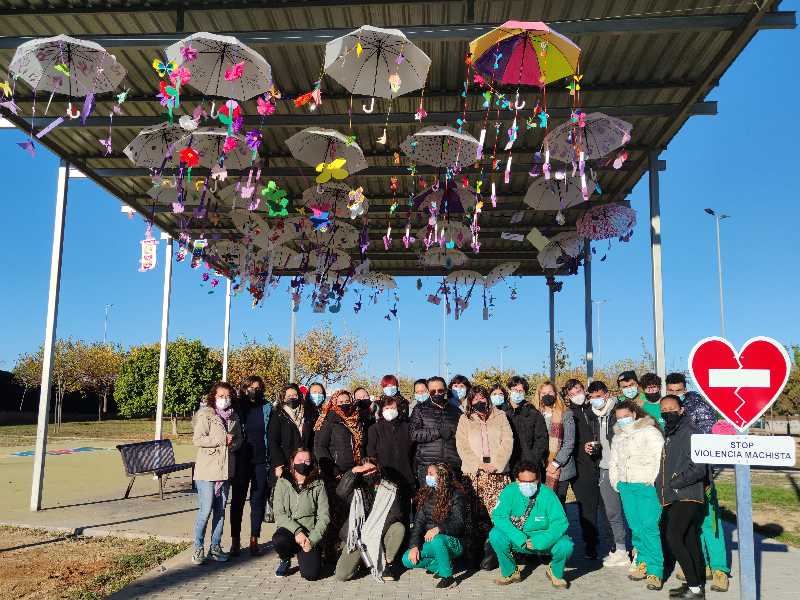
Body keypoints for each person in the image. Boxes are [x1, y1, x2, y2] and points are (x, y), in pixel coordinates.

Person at [665, 372, 729, 592]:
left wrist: (709, 476)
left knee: (711, 525)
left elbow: (712, 446)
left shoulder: (700, 409)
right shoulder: (670, 412)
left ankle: (720, 569)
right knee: (692, 529)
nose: (675, 393)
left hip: (701, 477)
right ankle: (701, 568)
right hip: (680, 482)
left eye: (678, 389)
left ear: (685, 388)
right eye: (671, 390)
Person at [488, 461, 574, 589]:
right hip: (519, 539)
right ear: (517, 480)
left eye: (532, 481)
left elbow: (560, 522)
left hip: (544, 539)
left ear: (538, 479)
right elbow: (499, 516)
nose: (528, 485)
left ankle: (555, 572)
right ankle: (510, 572)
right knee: (495, 535)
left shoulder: (548, 494)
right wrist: (519, 537)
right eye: (524, 482)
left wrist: (542, 540)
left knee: (566, 545)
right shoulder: (509, 491)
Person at [456, 384, 514, 569]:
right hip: (474, 475)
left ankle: (496, 553)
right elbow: (462, 445)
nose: (479, 401)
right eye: (475, 398)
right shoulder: (465, 419)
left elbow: (508, 441)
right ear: (470, 401)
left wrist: (496, 464)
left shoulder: (500, 416)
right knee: (473, 516)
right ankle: (473, 553)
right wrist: (478, 464)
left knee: (498, 515)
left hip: (497, 475)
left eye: (482, 398)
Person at [609, 400, 665, 591]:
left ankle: (655, 570)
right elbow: (614, 461)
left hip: (646, 485)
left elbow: (659, 457)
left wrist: (652, 479)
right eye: (619, 418)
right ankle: (642, 561)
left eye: (626, 416)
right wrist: (616, 482)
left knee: (650, 527)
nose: (623, 420)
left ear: (634, 413)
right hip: (626, 486)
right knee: (636, 527)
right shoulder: (618, 437)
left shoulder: (650, 432)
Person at [658, 395, 709, 599]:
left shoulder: (690, 432)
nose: (667, 412)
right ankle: (695, 586)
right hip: (675, 495)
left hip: (687, 494)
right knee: (688, 538)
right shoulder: (671, 433)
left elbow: (699, 468)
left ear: (681, 410)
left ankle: (695, 588)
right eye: (664, 409)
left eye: (671, 408)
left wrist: (674, 483)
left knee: (673, 536)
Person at [191, 381, 242, 565]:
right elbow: (198, 439)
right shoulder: (206, 414)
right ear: (214, 396)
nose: (224, 399)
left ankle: (215, 546)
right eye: (221, 396)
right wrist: (221, 439)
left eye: (227, 396)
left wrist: (233, 442)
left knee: (220, 511)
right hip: (206, 471)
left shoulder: (233, 416)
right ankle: (197, 547)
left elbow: (238, 442)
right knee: (205, 510)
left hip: (225, 470)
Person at [334, 457, 407, 582]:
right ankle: (362, 561)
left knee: (398, 528)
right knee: (342, 575)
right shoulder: (356, 489)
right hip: (358, 538)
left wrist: (373, 530)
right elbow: (340, 492)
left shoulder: (389, 488)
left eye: (371, 469)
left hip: (378, 533)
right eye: (365, 471)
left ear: (378, 469)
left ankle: (386, 564)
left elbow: (396, 514)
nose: (368, 473)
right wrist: (354, 471)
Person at [402, 463, 467, 589]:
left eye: (431, 474)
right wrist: (414, 546)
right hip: (433, 542)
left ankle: (448, 577)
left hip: (454, 542)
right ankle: (439, 564)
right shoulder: (427, 495)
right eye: (427, 474)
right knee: (406, 559)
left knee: (438, 539)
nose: (427, 476)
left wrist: (439, 529)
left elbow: (459, 523)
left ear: (441, 476)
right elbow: (418, 524)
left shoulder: (456, 495)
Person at [586, 380, 629, 567]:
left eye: (599, 396)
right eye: (592, 397)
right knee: (612, 512)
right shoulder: (591, 415)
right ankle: (621, 549)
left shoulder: (618, 411)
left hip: (624, 467)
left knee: (633, 511)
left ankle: (639, 550)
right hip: (604, 467)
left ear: (607, 395)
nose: (596, 400)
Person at [272, 448, 330, 580]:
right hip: (289, 530)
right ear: (292, 462)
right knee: (279, 540)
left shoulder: (318, 483)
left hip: (310, 532)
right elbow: (279, 513)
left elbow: (324, 516)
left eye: (307, 461)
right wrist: (297, 531)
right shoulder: (282, 481)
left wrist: (313, 539)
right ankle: (285, 558)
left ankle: (309, 553)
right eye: (299, 460)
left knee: (311, 575)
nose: (303, 463)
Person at [230, 375, 271, 557]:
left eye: (258, 387)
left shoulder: (267, 407)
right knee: (238, 501)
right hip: (241, 461)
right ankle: (235, 541)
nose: (254, 390)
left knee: (258, 500)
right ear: (244, 388)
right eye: (251, 387)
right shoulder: (237, 407)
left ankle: (254, 538)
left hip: (261, 461)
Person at [560, 378, 601, 560]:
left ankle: (591, 546)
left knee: (588, 507)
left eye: (578, 390)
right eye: (572, 393)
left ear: (584, 390)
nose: (577, 395)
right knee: (564, 506)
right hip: (571, 463)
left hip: (589, 466)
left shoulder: (594, 410)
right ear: (568, 397)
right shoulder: (568, 413)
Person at [410, 376, 462, 485]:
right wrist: (438, 432)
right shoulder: (420, 409)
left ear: (446, 390)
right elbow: (414, 434)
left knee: (452, 500)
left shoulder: (455, 411)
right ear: (429, 392)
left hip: (451, 465)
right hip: (428, 465)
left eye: (440, 390)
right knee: (429, 500)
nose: (437, 393)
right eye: (433, 391)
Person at [532, 381, 576, 500]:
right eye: (544, 393)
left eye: (550, 392)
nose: (547, 395)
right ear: (539, 396)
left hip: (561, 468)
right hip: (540, 467)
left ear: (556, 394)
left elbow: (569, 442)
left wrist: (555, 463)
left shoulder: (566, 413)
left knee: (557, 505)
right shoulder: (534, 414)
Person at [268, 383, 318, 483]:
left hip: (305, 462)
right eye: (289, 396)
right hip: (286, 462)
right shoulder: (278, 414)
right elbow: (273, 441)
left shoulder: (308, 414)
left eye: (294, 395)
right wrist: (278, 464)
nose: (292, 398)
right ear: (284, 398)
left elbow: (314, 439)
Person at [367, 394, 415, 494]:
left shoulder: (407, 427)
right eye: (386, 408)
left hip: (406, 475)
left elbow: (413, 451)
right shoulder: (374, 429)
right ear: (382, 410)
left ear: (398, 409)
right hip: (385, 477)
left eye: (393, 407)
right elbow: (371, 453)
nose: (389, 410)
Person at [314, 389, 366, 478]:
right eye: (340, 402)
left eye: (347, 401)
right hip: (338, 472)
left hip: (357, 469)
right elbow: (320, 446)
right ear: (334, 403)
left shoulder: (357, 419)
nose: (344, 404)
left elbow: (362, 445)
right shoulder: (329, 419)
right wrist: (332, 469)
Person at [500, 377, 548, 472]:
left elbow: (541, 439)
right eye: (514, 390)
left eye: (520, 391)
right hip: (505, 464)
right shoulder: (501, 412)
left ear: (525, 393)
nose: (517, 393)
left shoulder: (533, 413)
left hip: (528, 465)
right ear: (509, 390)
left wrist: (533, 459)